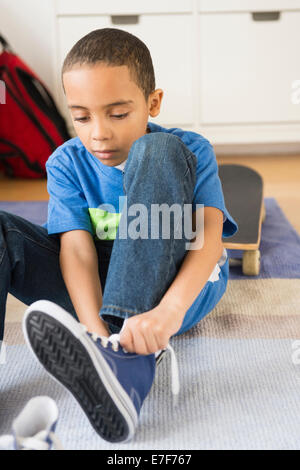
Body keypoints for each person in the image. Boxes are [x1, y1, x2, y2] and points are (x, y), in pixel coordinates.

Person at [2, 28, 238, 443]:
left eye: (117, 113)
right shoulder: (66, 163)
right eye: (81, 117)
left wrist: (168, 312)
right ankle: (110, 355)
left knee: (157, 151)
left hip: (175, 282)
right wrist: (94, 334)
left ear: (153, 103)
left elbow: (209, 240)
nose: (98, 133)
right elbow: (75, 251)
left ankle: (127, 367)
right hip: (97, 289)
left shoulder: (187, 149)